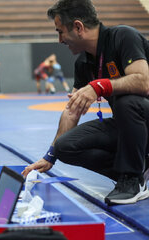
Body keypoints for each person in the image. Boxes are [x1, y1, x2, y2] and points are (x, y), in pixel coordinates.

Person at [22, 0, 149, 205]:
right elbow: (72, 111)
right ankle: (135, 173)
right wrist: (50, 156)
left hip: (143, 116)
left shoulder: (123, 36)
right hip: (130, 128)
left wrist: (99, 86)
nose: (60, 39)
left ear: (78, 27)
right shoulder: (84, 62)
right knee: (65, 146)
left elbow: (143, 82)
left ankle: (132, 178)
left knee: (128, 101)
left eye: (61, 31)